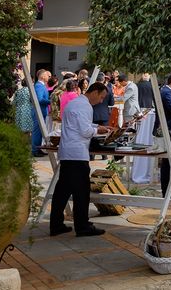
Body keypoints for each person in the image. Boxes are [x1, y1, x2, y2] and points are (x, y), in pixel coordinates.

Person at [49, 82, 112, 237]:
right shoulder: (85, 106)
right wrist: (99, 130)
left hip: (68, 153)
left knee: (62, 191)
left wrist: (96, 127)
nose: (101, 101)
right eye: (102, 97)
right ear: (95, 92)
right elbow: (85, 131)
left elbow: (81, 125)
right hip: (77, 154)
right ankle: (82, 226)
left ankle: (56, 224)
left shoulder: (75, 103)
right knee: (81, 192)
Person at [32, 69, 51, 157]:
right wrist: (50, 101)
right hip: (38, 111)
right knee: (37, 131)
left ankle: (38, 148)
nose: (48, 77)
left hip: (41, 111)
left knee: (40, 131)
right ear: (42, 76)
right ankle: (35, 150)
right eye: (47, 75)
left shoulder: (41, 85)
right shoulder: (39, 86)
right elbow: (39, 99)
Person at [12, 77, 35, 146]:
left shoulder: (18, 91)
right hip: (28, 110)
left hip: (19, 110)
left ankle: (21, 142)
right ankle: (26, 143)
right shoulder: (30, 91)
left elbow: (14, 102)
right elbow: (33, 101)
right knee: (28, 129)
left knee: (21, 128)